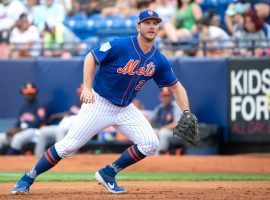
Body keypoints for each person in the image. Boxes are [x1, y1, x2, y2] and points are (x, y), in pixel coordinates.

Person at [12, 9, 194, 195]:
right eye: (147, 22)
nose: (151, 26)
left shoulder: (158, 59)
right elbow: (91, 57)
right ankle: (27, 178)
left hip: (125, 109)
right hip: (99, 104)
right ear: (138, 26)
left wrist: (186, 112)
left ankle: (108, 173)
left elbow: (176, 86)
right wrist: (88, 88)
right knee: (67, 147)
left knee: (150, 143)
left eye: (155, 23)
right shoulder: (121, 45)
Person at [34, 84, 82, 157]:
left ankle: (60, 157)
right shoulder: (76, 103)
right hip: (64, 126)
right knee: (43, 130)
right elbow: (70, 113)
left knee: (60, 130)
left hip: (76, 128)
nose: (80, 94)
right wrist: (57, 115)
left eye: (82, 92)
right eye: (80, 92)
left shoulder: (91, 104)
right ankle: (37, 157)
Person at [0, 82, 46, 155]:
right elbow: (18, 123)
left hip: (33, 132)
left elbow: (40, 123)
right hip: (21, 131)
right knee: (1, 137)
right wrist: (13, 129)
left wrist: (19, 130)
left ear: (35, 93)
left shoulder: (40, 107)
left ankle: (10, 161)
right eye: (27, 93)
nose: (29, 95)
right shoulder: (23, 108)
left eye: (31, 92)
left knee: (18, 138)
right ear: (23, 93)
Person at [150, 87, 182, 154]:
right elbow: (150, 121)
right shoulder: (159, 108)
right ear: (160, 97)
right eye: (163, 96)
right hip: (164, 131)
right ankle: (150, 155)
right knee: (152, 132)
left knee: (163, 132)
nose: (165, 98)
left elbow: (177, 123)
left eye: (167, 95)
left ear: (171, 96)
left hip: (178, 134)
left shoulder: (176, 106)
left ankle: (159, 155)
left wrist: (161, 129)